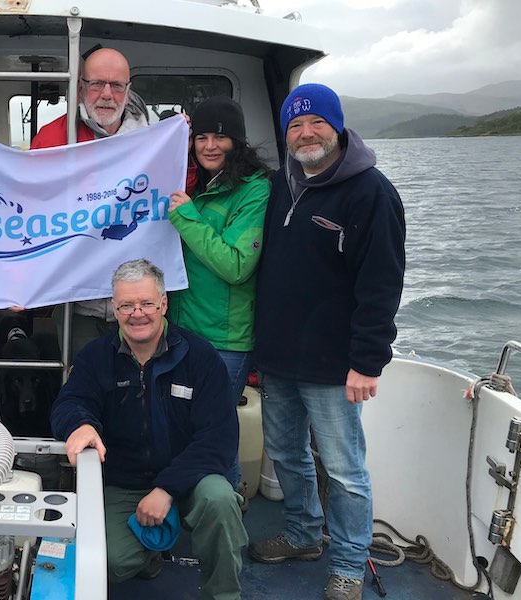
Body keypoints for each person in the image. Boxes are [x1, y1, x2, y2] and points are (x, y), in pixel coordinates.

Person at [249, 83, 406, 600]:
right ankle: (301, 535)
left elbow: (381, 286)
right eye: (295, 125)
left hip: (336, 366)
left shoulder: (372, 192)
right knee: (287, 454)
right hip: (278, 359)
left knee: (345, 471)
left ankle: (348, 564)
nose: (306, 132)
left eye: (316, 122)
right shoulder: (279, 185)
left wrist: (368, 362)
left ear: (337, 127)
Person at [51, 258, 248, 600]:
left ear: (164, 304)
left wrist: (166, 489)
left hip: (190, 478)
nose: (137, 313)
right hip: (124, 481)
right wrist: (80, 423)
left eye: (146, 304)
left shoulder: (200, 357)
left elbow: (219, 439)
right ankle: (148, 554)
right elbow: (70, 401)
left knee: (220, 502)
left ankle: (224, 595)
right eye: (127, 305)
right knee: (108, 562)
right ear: (115, 307)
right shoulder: (96, 356)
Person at [30, 48, 191, 355]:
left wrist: (183, 150)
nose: (107, 94)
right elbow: (28, 209)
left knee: (139, 394)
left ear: (128, 90)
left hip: (140, 309)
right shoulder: (52, 138)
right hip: (77, 305)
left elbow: (181, 196)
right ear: (80, 87)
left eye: (116, 85)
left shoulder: (155, 140)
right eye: (96, 84)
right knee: (84, 392)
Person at [168, 96, 271, 406]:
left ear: (236, 142)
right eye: (201, 137)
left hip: (224, 343)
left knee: (213, 437)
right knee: (183, 433)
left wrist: (187, 218)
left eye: (220, 137)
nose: (209, 146)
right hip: (180, 333)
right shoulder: (198, 184)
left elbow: (237, 265)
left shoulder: (254, 190)